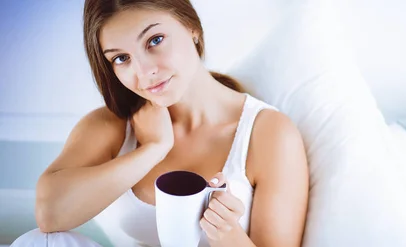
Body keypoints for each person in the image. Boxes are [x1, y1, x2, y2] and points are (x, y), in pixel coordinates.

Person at [12, 0, 309, 246]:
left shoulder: (267, 133)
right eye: (121, 58)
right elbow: (49, 215)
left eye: (155, 41)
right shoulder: (115, 124)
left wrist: (227, 235)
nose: (144, 72)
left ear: (191, 28)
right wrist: (154, 148)